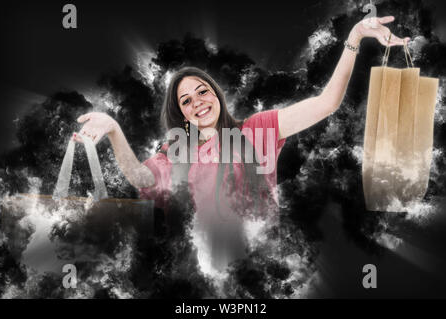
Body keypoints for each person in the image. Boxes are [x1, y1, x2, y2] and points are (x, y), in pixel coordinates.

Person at [73, 16, 410, 274]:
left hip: (259, 274)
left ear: (216, 95)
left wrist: (354, 38)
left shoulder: (257, 131)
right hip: (204, 282)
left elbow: (326, 103)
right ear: (182, 115)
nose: (198, 102)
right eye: (186, 101)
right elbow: (140, 179)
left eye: (203, 91)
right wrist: (115, 130)